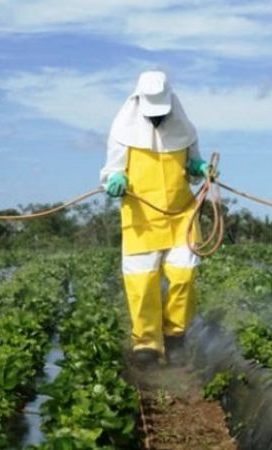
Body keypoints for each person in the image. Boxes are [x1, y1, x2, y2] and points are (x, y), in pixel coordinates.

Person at [101, 71, 210, 366]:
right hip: (141, 218)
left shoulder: (185, 130)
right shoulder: (122, 130)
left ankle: (175, 334)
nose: (156, 120)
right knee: (142, 282)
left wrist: (199, 167)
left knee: (184, 275)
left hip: (181, 214)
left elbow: (193, 163)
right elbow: (112, 170)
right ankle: (147, 343)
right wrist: (114, 181)